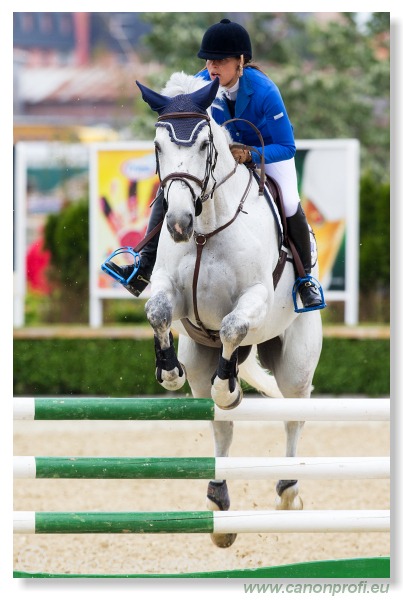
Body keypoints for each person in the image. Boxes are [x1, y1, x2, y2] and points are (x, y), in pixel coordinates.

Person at [105, 18, 325, 310]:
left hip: (265, 154)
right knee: (167, 191)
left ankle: (304, 277)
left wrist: (250, 154)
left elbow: (287, 147)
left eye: (221, 61)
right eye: (209, 61)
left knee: (289, 200)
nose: (212, 68)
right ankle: (144, 267)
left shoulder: (265, 92)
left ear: (240, 61)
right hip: (221, 161)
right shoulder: (199, 86)